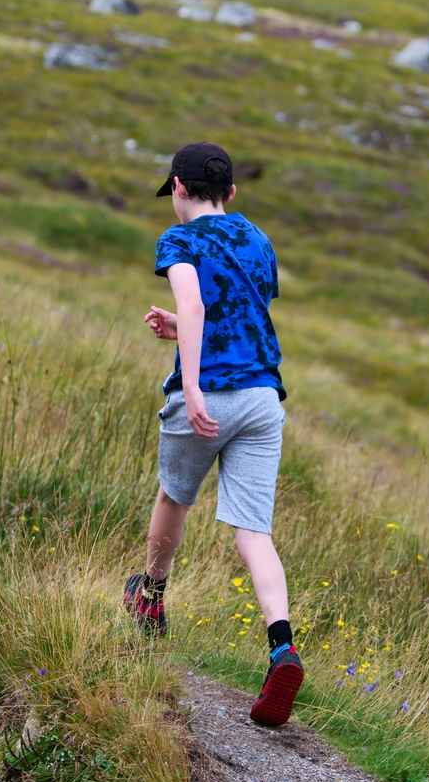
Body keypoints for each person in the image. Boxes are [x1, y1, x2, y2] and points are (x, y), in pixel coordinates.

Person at [125, 141, 303, 727]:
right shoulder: (258, 239)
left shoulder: (178, 240)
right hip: (262, 398)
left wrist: (193, 386)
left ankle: (150, 600)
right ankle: (282, 648)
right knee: (254, 531)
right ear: (231, 192)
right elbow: (238, 314)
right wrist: (179, 327)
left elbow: (198, 305)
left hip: (210, 395)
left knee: (174, 496)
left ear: (178, 188)